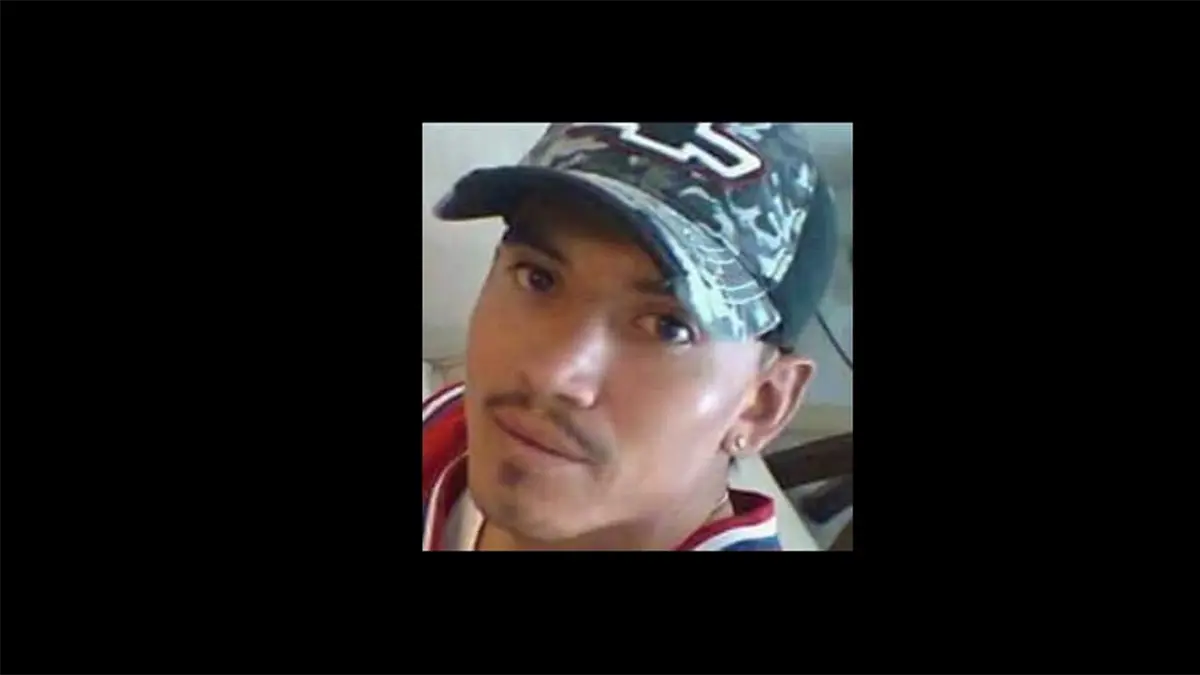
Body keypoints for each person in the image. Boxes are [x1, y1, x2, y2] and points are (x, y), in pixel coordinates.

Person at [422, 123, 839, 551]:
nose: (552, 374)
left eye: (668, 327)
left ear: (761, 405)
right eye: (538, 278)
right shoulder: (453, 428)